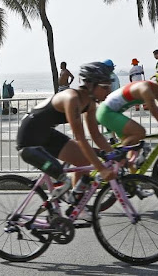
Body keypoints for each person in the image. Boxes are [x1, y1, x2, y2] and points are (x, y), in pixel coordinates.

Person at [16, 62, 117, 219]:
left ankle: (76, 208)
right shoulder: (72, 99)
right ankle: (52, 209)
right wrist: (102, 169)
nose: (109, 91)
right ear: (90, 85)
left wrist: (115, 154)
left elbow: (96, 136)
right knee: (64, 180)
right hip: (28, 138)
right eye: (105, 86)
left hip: (46, 134)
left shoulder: (89, 104)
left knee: (84, 162)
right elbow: (81, 139)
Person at [96, 65, 158, 147]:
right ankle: (115, 159)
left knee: (133, 149)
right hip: (106, 112)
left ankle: (128, 169)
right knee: (140, 132)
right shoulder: (146, 89)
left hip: (113, 113)